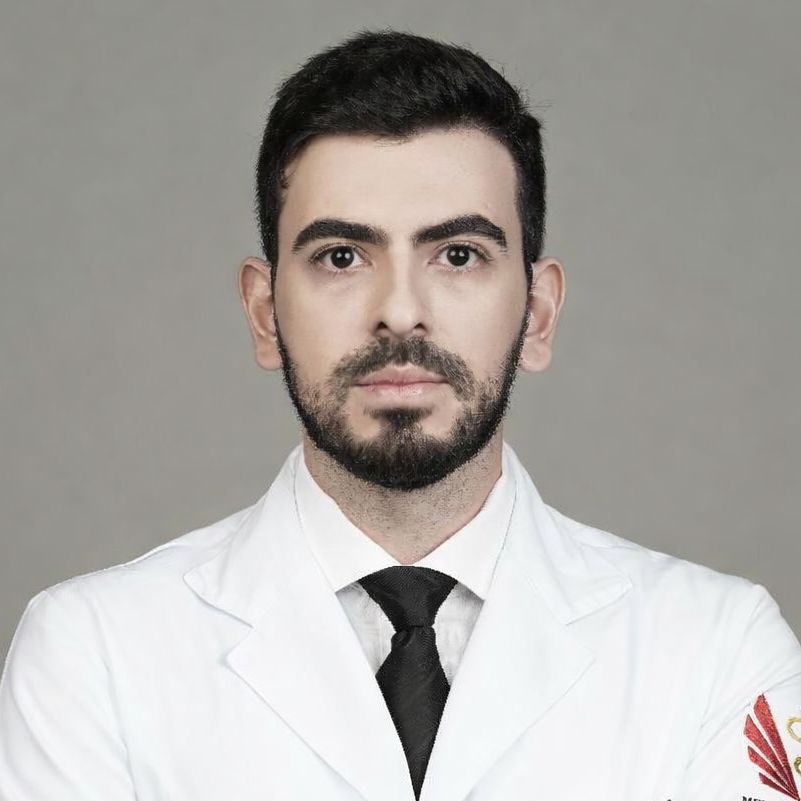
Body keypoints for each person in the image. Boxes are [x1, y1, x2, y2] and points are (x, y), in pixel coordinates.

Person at [1, 28, 800, 801]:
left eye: (458, 254)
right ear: (264, 313)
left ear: (537, 314)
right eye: (341, 256)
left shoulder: (716, 648)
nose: (399, 311)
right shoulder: (92, 653)